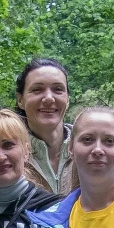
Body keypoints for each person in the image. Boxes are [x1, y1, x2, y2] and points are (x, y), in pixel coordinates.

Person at [14, 58, 73, 193]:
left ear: (67, 99)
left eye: (58, 89)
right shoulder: (4, 154)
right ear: (20, 100)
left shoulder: (90, 149)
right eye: (37, 90)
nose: (48, 98)